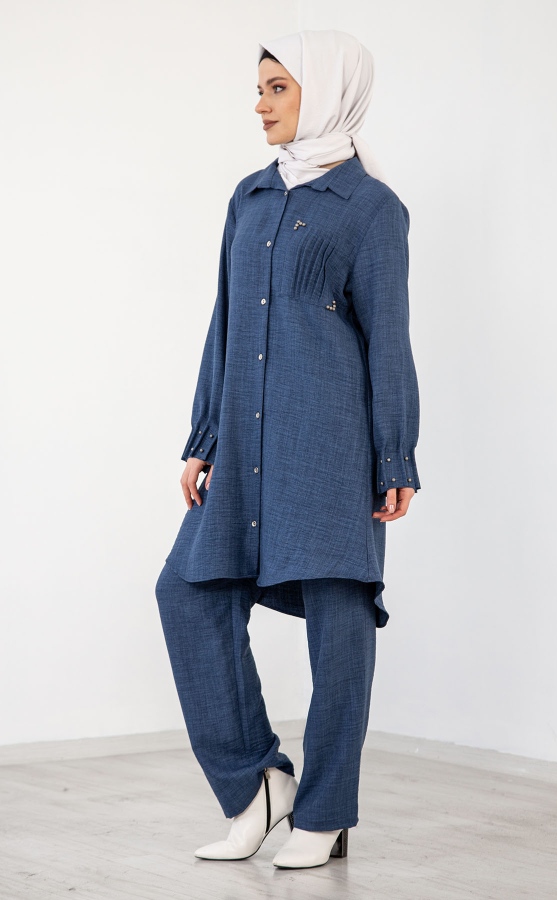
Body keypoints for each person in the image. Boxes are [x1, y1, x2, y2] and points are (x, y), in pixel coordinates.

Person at [155, 28, 421, 870]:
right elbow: (226, 320)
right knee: (186, 592)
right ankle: (256, 785)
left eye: (278, 88)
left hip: (331, 443)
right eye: (260, 89)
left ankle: (326, 813)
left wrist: (395, 455)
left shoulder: (372, 209)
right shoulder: (251, 197)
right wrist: (204, 434)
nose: (261, 104)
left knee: (340, 628)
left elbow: (389, 340)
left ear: (326, 90)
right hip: (243, 442)